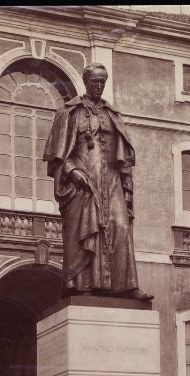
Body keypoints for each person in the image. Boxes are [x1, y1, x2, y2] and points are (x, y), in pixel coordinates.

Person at [43, 63, 151, 300]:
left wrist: (126, 187)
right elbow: (55, 156)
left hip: (111, 182)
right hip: (82, 184)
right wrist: (71, 171)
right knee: (82, 234)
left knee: (120, 228)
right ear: (86, 81)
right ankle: (81, 284)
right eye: (96, 81)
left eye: (103, 81)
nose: (100, 86)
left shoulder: (112, 114)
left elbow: (123, 157)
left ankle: (126, 286)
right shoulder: (69, 112)